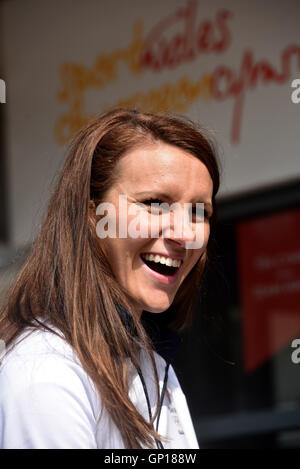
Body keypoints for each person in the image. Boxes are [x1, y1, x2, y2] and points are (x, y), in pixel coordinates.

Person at [0, 108, 220, 449]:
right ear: (91, 214)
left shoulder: (154, 367)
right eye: (154, 204)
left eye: (199, 212)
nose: (184, 234)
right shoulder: (45, 372)